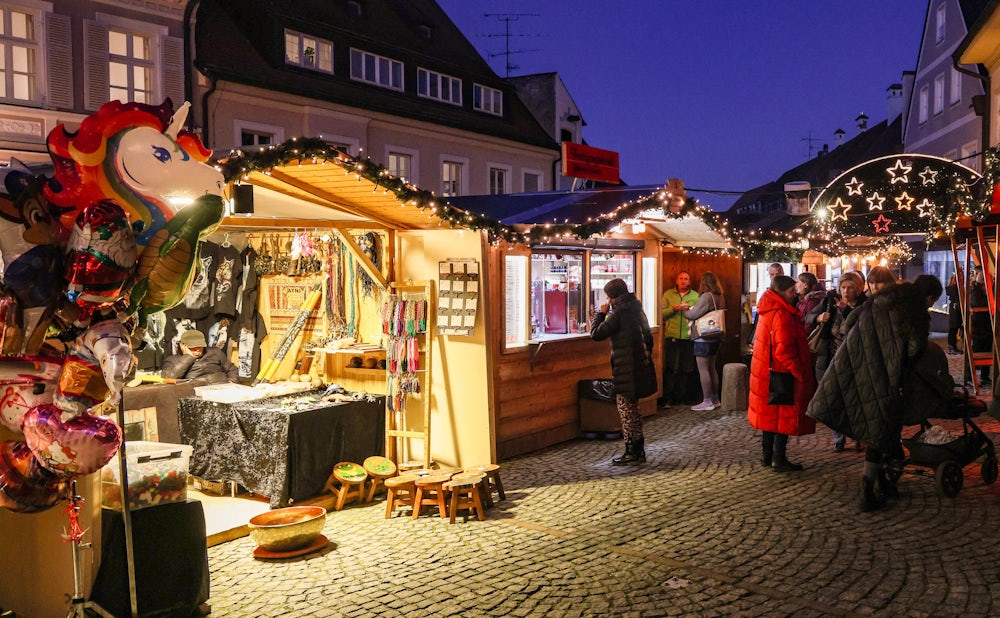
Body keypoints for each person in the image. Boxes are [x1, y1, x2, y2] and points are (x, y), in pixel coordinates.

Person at [807, 276, 941, 512]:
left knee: (877, 427)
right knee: (880, 428)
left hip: (854, 366)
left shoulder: (879, 300)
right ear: (929, 297)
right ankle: (869, 488)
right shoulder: (915, 314)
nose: (931, 305)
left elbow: (847, 326)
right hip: (884, 374)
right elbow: (913, 349)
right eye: (933, 301)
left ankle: (883, 480)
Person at [748, 275, 816, 472]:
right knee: (782, 417)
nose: (794, 294)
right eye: (791, 291)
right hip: (781, 373)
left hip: (767, 372)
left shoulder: (768, 309)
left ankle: (767, 456)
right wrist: (799, 372)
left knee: (770, 417)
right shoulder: (782, 314)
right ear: (781, 292)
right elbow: (784, 350)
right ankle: (778, 458)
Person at [590, 278, 658, 466]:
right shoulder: (636, 307)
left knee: (626, 410)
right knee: (633, 409)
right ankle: (638, 449)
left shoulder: (619, 313)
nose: (608, 300)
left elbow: (596, 334)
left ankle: (631, 451)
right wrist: (644, 356)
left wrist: (600, 314)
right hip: (639, 366)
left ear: (612, 297)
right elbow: (648, 337)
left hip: (625, 369)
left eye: (608, 297)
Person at [813, 271, 866, 452]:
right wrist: (818, 317)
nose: (846, 291)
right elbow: (807, 316)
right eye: (843, 287)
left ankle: (858, 436)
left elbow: (863, 329)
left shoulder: (864, 305)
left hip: (854, 360)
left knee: (854, 401)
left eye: (850, 287)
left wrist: (847, 311)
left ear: (858, 289)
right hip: (832, 358)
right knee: (834, 399)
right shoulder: (830, 302)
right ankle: (838, 439)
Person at [685, 271, 724, 411]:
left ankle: (707, 401)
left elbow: (693, 314)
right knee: (712, 367)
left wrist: (685, 310)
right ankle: (715, 399)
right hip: (716, 337)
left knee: (703, 369)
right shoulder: (719, 296)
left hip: (704, 338)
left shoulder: (707, 296)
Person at [660, 271, 699, 406]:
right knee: (670, 367)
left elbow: (699, 314)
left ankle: (681, 397)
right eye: (681, 278)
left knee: (686, 368)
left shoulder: (695, 295)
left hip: (688, 336)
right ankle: (668, 398)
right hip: (672, 336)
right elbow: (661, 314)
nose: (683, 281)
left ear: (689, 281)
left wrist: (690, 310)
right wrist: (674, 309)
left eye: (686, 279)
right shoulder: (668, 294)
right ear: (676, 280)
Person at [161, 329, 240, 384]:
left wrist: (232, 382)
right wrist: (188, 357)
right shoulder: (172, 360)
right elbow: (169, 377)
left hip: (222, 388)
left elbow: (232, 369)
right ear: (183, 345)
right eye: (193, 347)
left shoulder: (215, 352)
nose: (198, 350)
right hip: (195, 394)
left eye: (200, 346)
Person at [968, 266, 991, 388]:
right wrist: (990, 302)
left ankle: (985, 376)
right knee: (976, 351)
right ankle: (969, 377)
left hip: (987, 325)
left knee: (988, 349)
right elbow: (978, 303)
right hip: (978, 326)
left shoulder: (985, 290)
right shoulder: (974, 290)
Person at [946, 271, 963, 356]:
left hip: (955, 308)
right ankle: (952, 347)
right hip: (955, 309)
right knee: (953, 328)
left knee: (954, 328)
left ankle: (952, 346)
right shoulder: (955, 288)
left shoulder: (953, 287)